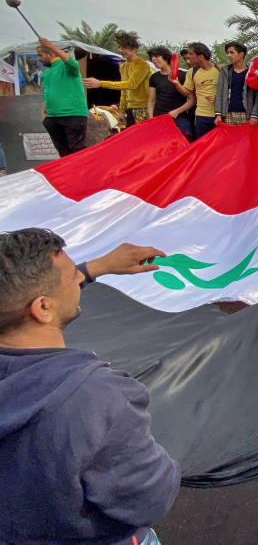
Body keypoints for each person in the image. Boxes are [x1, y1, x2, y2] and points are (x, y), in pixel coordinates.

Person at [0, 228, 180, 544]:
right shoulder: (94, 398)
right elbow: (150, 499)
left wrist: (96, 267)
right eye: (71, 277)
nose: (77, 281)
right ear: (42, 308)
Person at [83, 32, 151, 128]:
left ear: (134, 49)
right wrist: (121, 111)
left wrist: (100, 83)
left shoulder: (142, 65)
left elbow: (131, 84)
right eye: (119, 47)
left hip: (142, 107)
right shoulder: (123, 66)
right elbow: (124, 91)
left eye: (124, 47)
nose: (121, 50)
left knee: (143, 137)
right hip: (129, 108)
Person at [36, 37, 88, 156]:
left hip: (72, 115)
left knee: (77, 151)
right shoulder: (46, 73)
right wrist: (44, 114)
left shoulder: (66, 67)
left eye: (40, 55)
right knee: (63, 153)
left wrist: (50, 45)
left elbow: (72, 63)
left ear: (50, 54)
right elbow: (46, 93)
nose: (39, 59)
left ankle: (82, 174)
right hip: (52, 117)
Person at [169, 42, 219, 139]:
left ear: (200, 56)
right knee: (202, 145)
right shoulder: (191, 72)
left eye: (191, 54)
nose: (188, 56)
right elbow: (187, 94)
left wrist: (219, 98)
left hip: (219, 115)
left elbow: (230, 92)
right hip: (200, 115)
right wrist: (176, 83)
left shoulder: (220, 70)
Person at [146, 46, 194, 140]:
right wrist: (151, 118)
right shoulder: (154, 77)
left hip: (179, 118)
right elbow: (151, 101)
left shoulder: (182, 75)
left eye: (156, 56)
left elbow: (192, 99)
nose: (153, 59)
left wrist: (177, 112)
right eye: (152, 57)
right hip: (159, 118)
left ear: (166, 57)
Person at [215, 42, 258, 126]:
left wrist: (255, 114)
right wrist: (218, 114)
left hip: (247, 114)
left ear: (241, 54)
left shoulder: (252, 72)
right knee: (229, 139)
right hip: (227, 114)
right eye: (227, 53)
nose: (229, 55)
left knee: (246, 139)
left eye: (232, 52)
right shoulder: (225, 71)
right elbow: (219, 93)